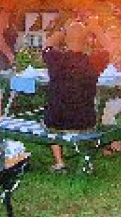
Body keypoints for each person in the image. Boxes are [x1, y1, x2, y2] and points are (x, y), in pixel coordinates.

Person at [43, 20, 111, 172]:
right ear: (86, 40)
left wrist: (64, 31)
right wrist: (95, 28)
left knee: (51, 112)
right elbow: (109, 47)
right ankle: (84, 156)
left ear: (66, 40)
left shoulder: (55, 58)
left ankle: (59, 162)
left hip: (56, 122)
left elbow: (47, 44)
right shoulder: (94, 61)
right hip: (84, 121)